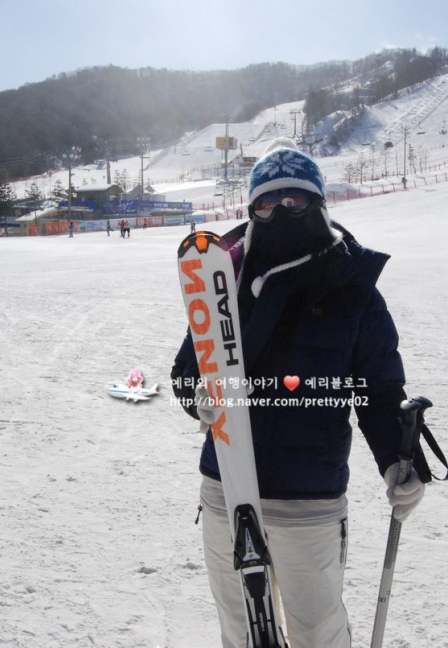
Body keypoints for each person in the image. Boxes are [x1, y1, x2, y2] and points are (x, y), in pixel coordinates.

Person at [170, 142, 425, 647]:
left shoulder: (352, 287)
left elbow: (377, 390)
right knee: (240, 633)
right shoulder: (226, 279)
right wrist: (200, 393)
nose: (281, 212)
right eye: (267, 203)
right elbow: (184, 371)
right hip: (226, 491)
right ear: (251, 211)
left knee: (319, 634)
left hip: (308, 500)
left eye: (296, 201)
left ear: (320, 204)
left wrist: (399, 459)